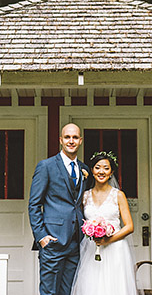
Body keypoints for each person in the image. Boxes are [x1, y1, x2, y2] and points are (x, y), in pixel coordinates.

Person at [28, 123, 90, 295]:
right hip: (53, 241)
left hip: (75, 243)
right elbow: (34, 204)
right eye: (67, 137)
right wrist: (41, 237)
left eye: (75, 137)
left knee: (67, 292)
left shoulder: (84, 170)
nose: (71, 141)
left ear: (80, 141)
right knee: (49, 292)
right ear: (61, 140)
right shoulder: (46, 166)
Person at [70, 151, 137, 295]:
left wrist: (108, 240)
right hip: (91, 249)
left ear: (111, 172)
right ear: (92, 170)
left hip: (115, 249)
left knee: (115, 287)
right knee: (92, 286)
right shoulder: (85, 196)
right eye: (97, 167)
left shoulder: (118, 195)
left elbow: (129, 226)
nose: (101, 171)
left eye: (106, 168)